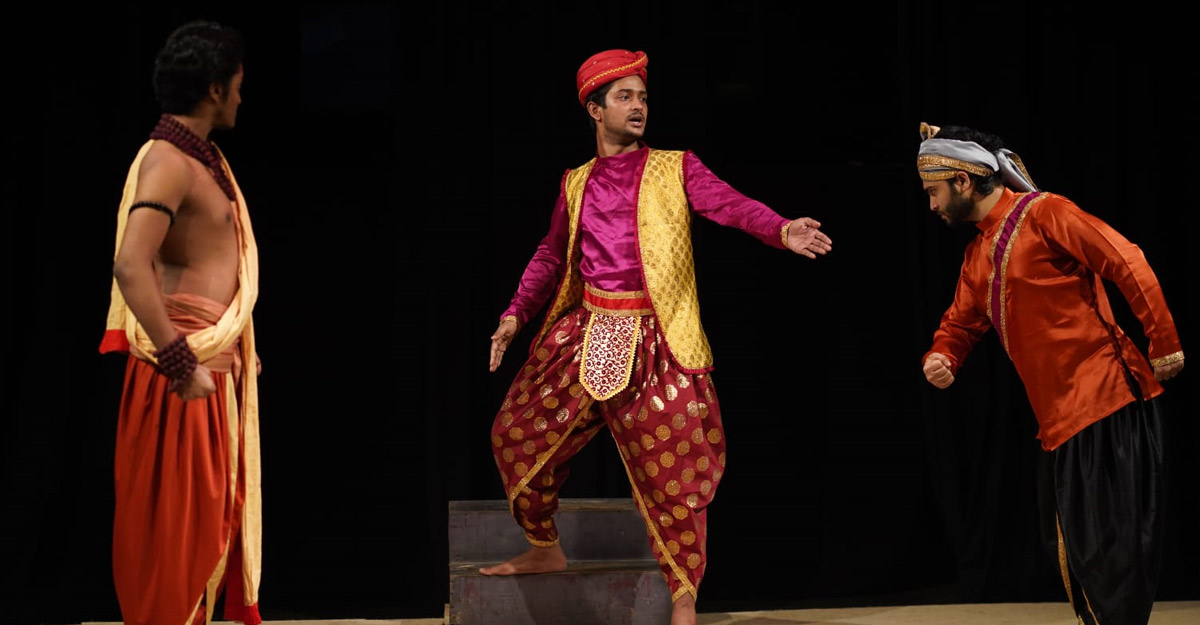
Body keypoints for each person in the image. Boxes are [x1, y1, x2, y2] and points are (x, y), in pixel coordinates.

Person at [480, 49, 833, 625]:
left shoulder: (676, 167)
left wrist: (780, 228)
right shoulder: (575, 182)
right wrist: (516, 314)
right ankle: (544, 546)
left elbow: (730, 205)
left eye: (642, 96)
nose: (638, 106)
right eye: (624, 97)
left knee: (676, 474)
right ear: (595, 109)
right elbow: (551, 253)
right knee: (514, 436)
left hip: (659, 340)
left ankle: (683, 599)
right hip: (587, 333)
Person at [916, 122, 1183, 625]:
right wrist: (943, 355)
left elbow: (1125, 258)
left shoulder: (1044, 213)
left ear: (963, 181)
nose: (931, 205)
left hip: (1107, 399)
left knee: (1111, 558)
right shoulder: (978, 254)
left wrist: (1163, 341)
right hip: (1058, 422)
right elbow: (960, 322)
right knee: (1077, 557)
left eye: (933, 191)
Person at [100, 20, 263, 625]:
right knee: (175, 538)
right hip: (182, 374)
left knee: (206, 528)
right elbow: (130, 263)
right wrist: (178, 359)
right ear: (215, 89)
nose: (242, 97)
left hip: (207, 369)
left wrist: (231, 347)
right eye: (238, 85)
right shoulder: (169, 162)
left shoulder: (203, 160)